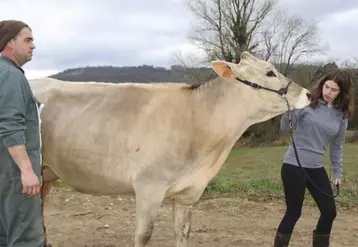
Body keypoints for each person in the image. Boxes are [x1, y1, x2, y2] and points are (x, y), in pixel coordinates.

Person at [273, 68, 355, 247]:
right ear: (322, 85)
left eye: (334, 90)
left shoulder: (341, 116)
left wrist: (337, 172)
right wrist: (292, 106)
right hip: (294, 165)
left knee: (329, 211)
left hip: (316, 167)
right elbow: (285, 127)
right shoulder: (307, 102)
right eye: (327, 87)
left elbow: (336, 146)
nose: (328, 92)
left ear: (342, 92)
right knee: (294, 212)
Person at [0, 20, 45, 246]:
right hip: (15, 172)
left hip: (4, 171)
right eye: (27, 40)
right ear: (10, 42)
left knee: (5, 232)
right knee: (25, 237)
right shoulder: (11, 76)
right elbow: (10, 124)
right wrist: (27, 171)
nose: (33, 45)